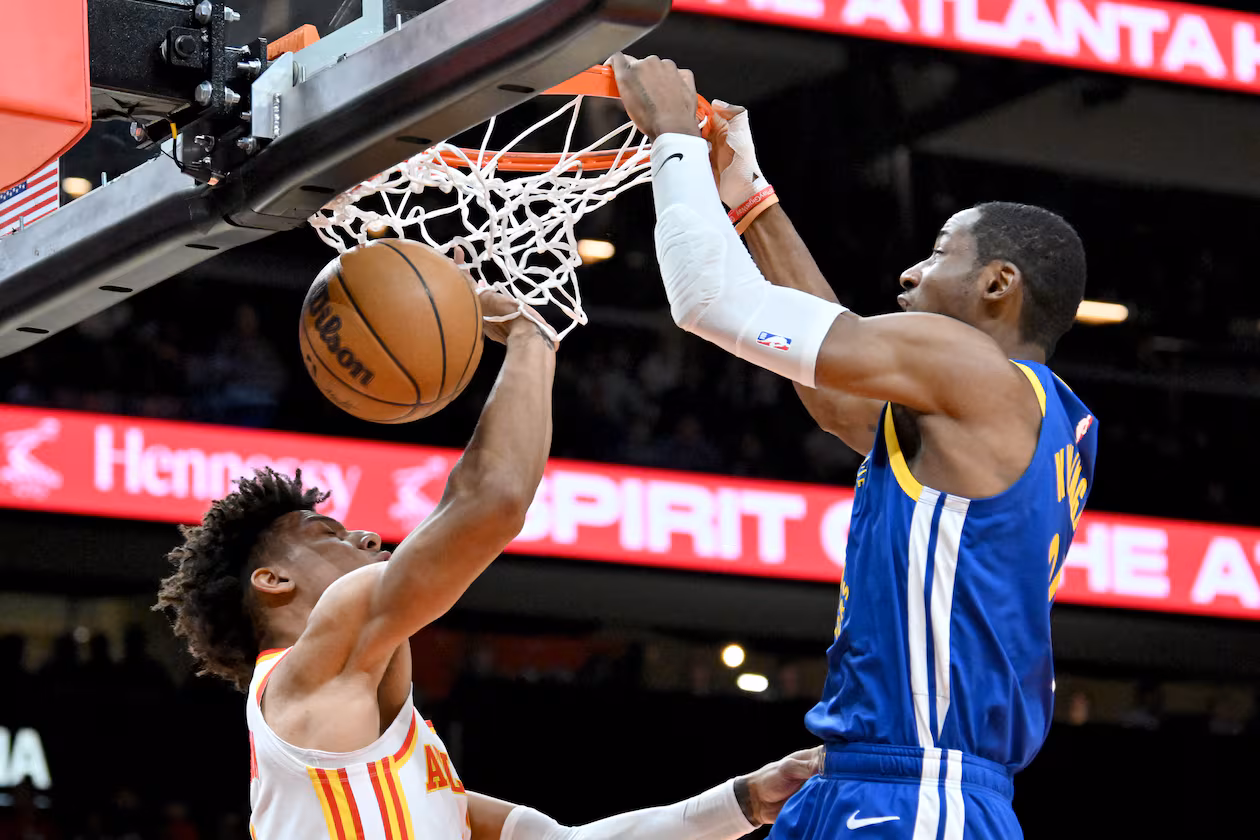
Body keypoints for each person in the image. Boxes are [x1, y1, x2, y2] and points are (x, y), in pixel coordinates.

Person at [611, 54, 1098, 839]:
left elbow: (709, 301)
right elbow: (840, 399)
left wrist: (670, 137)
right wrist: (749, 194)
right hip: (875, 779)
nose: (910, 274)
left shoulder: (976, 371)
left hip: (921, 790)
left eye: (939, 253)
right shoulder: (1032, 414)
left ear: (998, 285)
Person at [156, 286, 820, 839]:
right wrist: (533, 340)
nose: (365, 537)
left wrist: (749, 801)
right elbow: (491, 505)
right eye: (328, 533)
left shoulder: (401, 757)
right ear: (273, 581)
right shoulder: (309, 671)